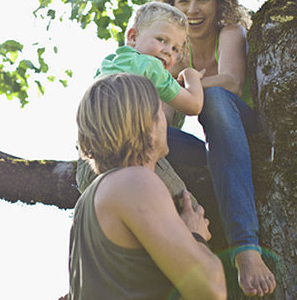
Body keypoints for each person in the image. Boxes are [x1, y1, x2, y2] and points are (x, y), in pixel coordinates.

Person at [156, 0, 276, 297]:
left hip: (249, 138)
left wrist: (187, 86)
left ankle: (245, 246)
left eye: (202, 0)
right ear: (172, 7)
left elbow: (233, 83)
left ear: (218, 3)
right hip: (219, 152)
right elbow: (165, 117)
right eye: (183, 2)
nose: (193, 10)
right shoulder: (178, 52)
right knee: (147, 136)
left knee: (216, 98)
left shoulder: (230, 29)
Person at [69, 73, 226, 300]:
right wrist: (194, 235)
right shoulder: (135, 182)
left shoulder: (84, 207)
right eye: (160, 111)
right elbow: (212, 290)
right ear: (147, 123)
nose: (165, 119)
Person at [75, 2, 206, 209]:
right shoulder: (149, 66)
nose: (168, 52)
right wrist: (191, 76)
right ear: (133, 37)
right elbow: (194, 105)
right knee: (186, 208)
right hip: (132, 152)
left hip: (88, 165)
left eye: (175, 49)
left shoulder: (110, 64)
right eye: (161, 40)